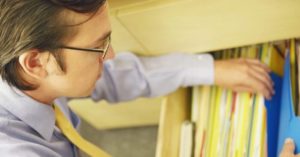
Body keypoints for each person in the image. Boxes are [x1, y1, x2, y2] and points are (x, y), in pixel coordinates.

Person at [0, 0, 288, 156]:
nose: (110, 55)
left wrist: (206, 70)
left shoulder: (26, 73)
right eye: (98, 46)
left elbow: (112, 76)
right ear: (36, 63)